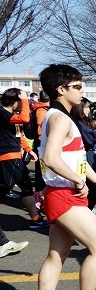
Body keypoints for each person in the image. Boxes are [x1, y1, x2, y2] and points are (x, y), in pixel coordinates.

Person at [30, 64, 96, 290]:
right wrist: (79, 180)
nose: (82, 90)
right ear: (61, 89)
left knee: (57, 254)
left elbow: (75, 157)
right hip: (65, 194)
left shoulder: (57, 117)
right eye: (77, 86)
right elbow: (51, 158)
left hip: (60, 193)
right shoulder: (60, 118)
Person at [0, 88, 47, 229]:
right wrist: (25, 99)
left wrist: (29, 150)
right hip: (9, 157)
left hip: (13, 157)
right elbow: (25, 119)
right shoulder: (2, 113)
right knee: (26, 188)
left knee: (6, 186)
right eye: (21, 102)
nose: (23, 105)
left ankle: (36, 218)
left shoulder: (12, 115)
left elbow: (19, 135)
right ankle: (36, 219)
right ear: (15, 101)